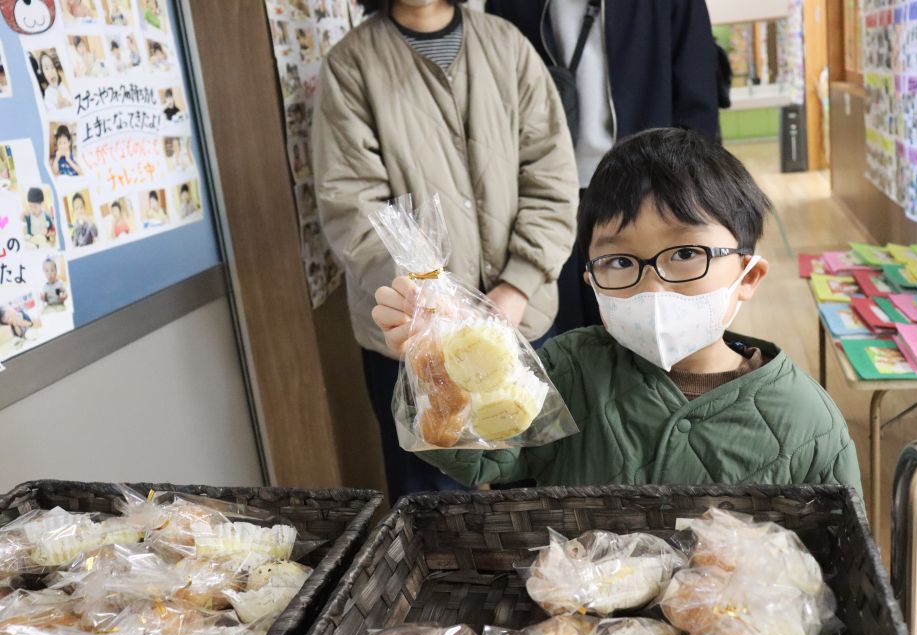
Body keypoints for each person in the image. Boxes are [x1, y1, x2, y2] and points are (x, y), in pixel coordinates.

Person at [371, 128, 863, 495]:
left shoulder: (808, 424)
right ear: (592, 281)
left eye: (686, 254)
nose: (653, 283)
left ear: (748, 276)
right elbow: (482, 460)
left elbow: (837, 567)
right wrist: (433, 367)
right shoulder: (566, 370)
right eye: (621, 261)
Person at [314, 0, 577, 501]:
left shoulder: (506, 44)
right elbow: (352, 206)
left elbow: (551, 174)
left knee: (537, 481)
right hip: (411, 332)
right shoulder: (351, 64)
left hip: (520, 319)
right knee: (431, 496)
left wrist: (518, 284)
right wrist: (434, 307)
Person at [486, 0, 720, 334]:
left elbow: (697, 98)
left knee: (648, 328)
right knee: (568, 335)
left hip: (649, 186)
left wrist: (690, 195)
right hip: (550, 194)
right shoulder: (509, 5)